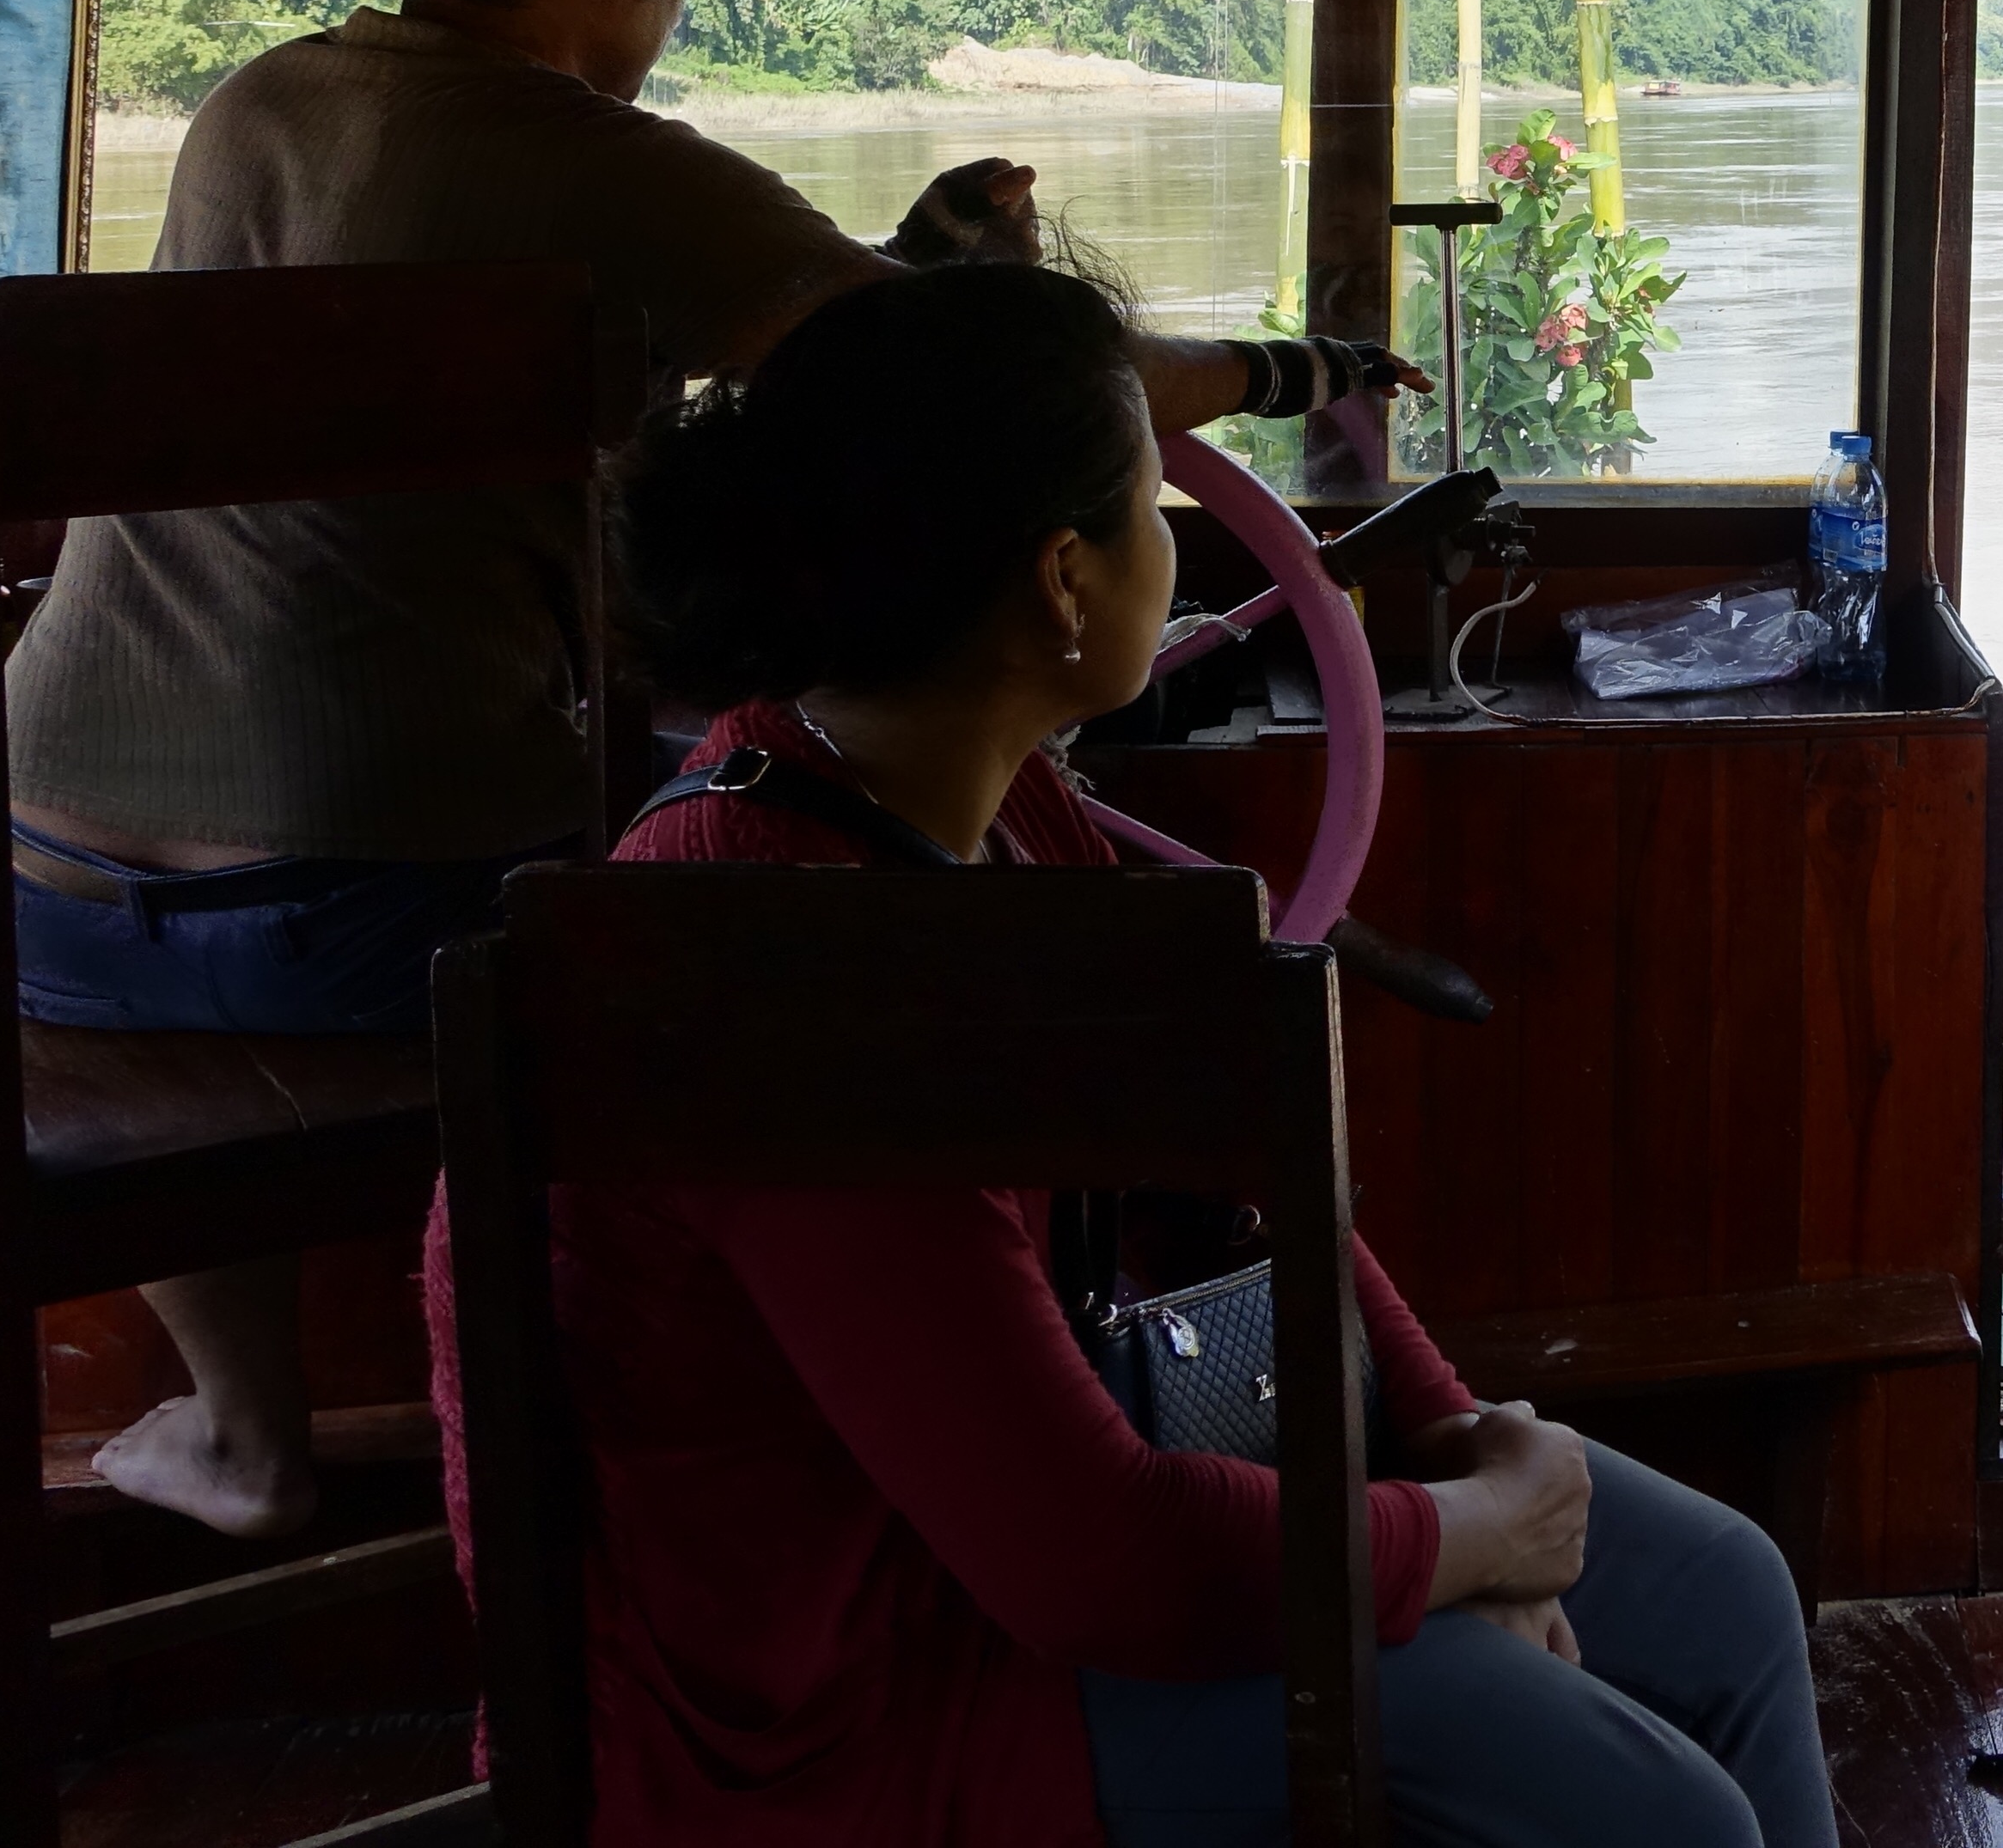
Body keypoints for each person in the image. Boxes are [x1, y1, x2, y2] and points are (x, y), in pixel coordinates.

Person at [3, 0, 1409, 1541]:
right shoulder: (602, 161)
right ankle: (801, 1440)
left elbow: (768, 356)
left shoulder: (253, 106)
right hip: (372, 927)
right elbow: (990, 394)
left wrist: (894, 274)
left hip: (50, 899)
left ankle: (244, 1428)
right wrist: (1293, 368)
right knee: (791, 880)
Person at [424, 259, 1832, 1848]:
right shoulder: (785, 979)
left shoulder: (990, 805)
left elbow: (1235, 1183)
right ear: (1064, 583)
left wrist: (1447, 1437)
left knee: (1721, 1592)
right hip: (846, 1713)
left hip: (1007, 1559)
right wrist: (1467, 1543)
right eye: (1154, 507)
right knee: (1654, 1812)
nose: (1178, 544)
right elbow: (1098, 1557)